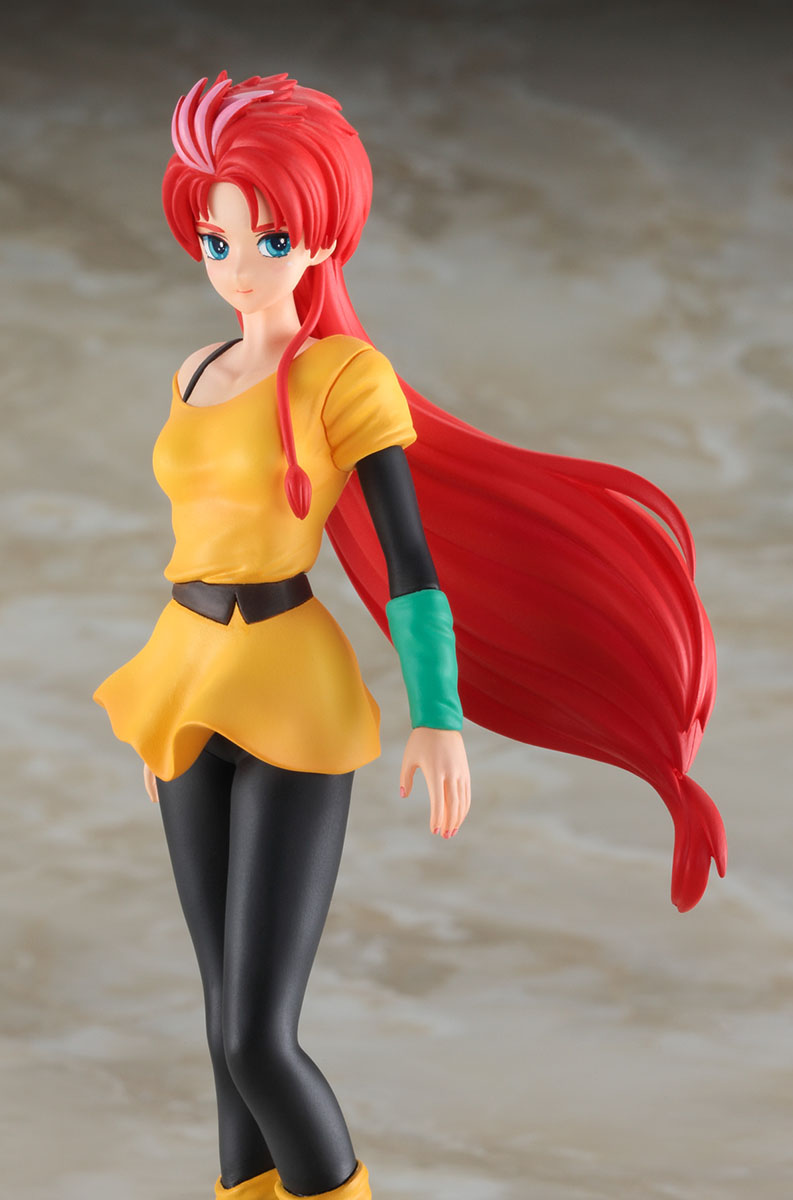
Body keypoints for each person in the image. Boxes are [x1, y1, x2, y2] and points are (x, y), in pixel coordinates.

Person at [93, 71, 726, 1200]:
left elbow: (412, 565)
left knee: (257, 1038)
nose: (239, 266)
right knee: (220, 1029)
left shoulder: (342, 377)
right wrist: (158, 700)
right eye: (218, 240)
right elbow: (194, 550)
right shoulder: (192, 374)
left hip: (290, 695)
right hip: (185, 690)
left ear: (321, 235)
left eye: (269, 238)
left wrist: (439, 718)